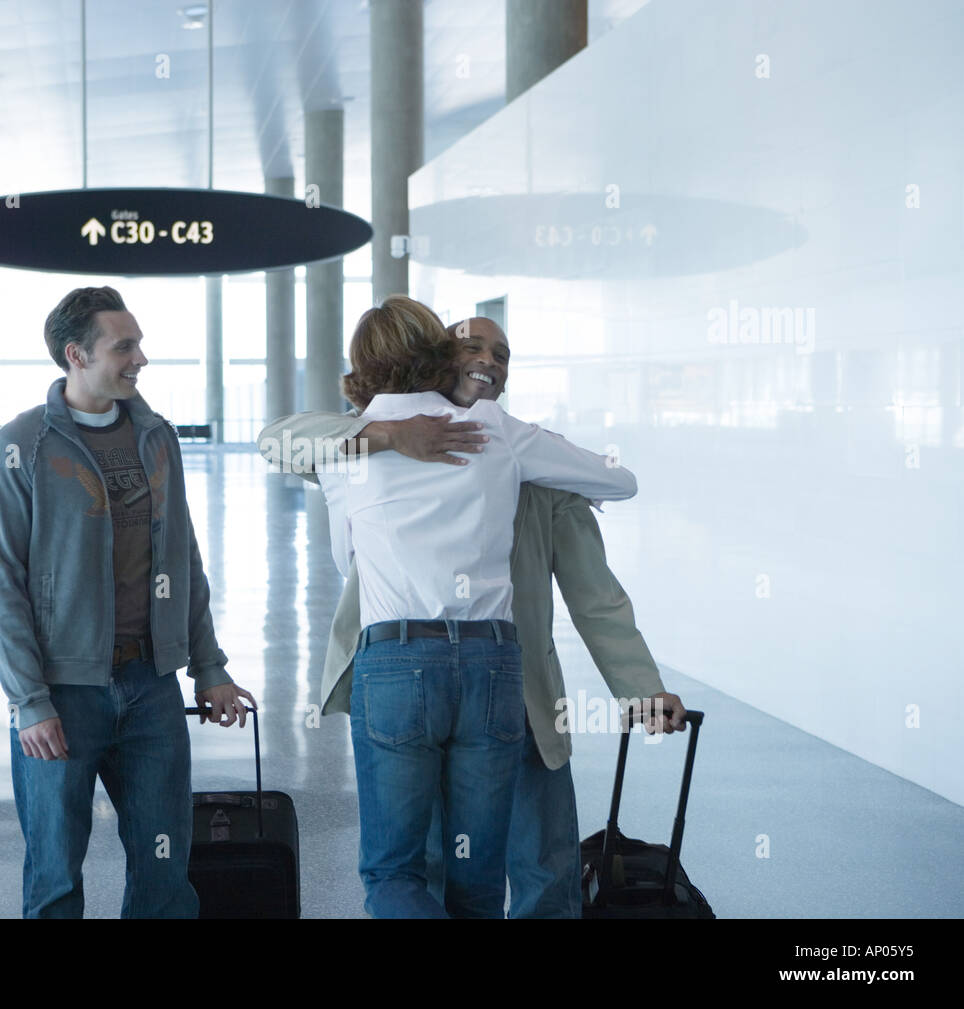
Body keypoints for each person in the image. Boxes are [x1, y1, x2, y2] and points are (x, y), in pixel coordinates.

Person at [259, 313, 686, 918]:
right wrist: (391, 434)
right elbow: (280, 440)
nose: (490, 359)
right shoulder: (359, 438)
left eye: (503, 354)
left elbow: (596, 596)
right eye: (473, 347)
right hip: (450, 682)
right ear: (439, 359)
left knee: (542, 866)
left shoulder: (540, 472)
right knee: (437, 865)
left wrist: (641, 689)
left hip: (522, 697)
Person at [0, 285, 255, 918]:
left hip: (151, 684)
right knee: (54, 872)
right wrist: (29, 701)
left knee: (164, 870)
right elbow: (1, 582)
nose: (140, 359)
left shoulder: (157, 437)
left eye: (140, 344)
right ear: (76, 354)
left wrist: (209, 668)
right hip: (63, 694)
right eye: (124, 346)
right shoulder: (23, 445)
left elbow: (183, 557)